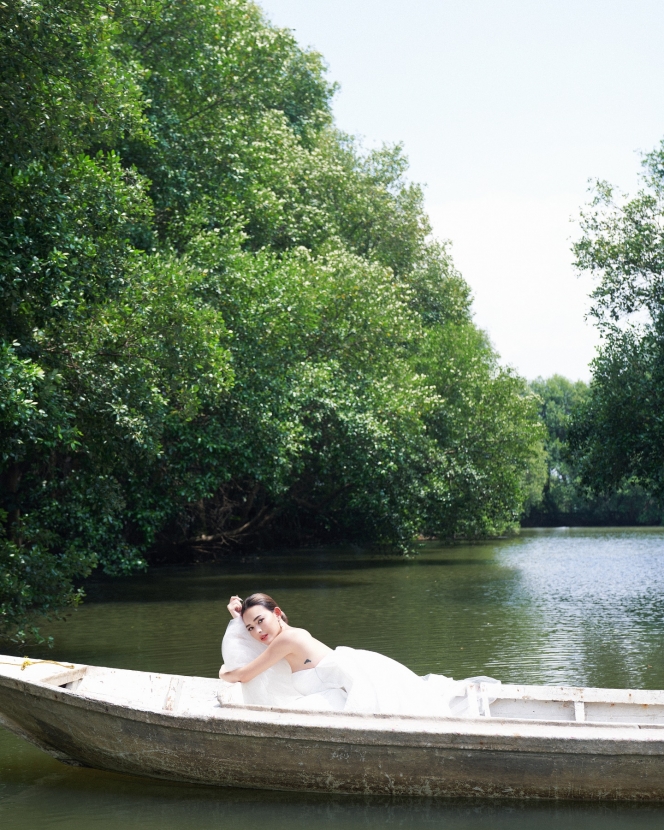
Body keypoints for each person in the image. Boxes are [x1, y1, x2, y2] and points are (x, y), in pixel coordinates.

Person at [218, 593, 497, 716]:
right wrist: (239, 617)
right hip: (342, 680)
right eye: (251, 628)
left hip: (353, 681)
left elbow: (243, 675)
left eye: (261, 621)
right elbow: (250, 639)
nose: (257, 632)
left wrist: (222, 673)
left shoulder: (287, 640)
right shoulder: (283, 636)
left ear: (277, 614)